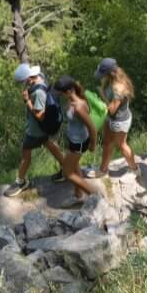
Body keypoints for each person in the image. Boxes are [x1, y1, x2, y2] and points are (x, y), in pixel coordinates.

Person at [5, 63, 66, 197]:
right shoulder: (41, 78)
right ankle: (66, 167)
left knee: (25, 155)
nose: (23, 84)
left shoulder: (38, 92)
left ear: (28, 79)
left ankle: (21, 182)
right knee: (50, 144)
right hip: (43, 129)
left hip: (35, 130)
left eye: (23, 82)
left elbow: (40, 115)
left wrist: (27, 101)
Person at [52, 76, 98, 207]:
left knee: (68, 173)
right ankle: (78, 196)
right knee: (75, 167)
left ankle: (96, 196)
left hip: (79, 143)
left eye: (61, 92)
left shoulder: (79, 107)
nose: (60, 95)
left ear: (69, 91)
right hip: (73, 141)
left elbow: (92, 128)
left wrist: (93, 145)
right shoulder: (71, 102)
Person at [95, 58, 137, 176]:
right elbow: (106, 94)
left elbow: (112, 110)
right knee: (107, 143)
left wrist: (100, 99)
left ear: (109, 72)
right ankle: (103, 170)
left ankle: (135, 169)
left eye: (103, 74)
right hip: (110, 118)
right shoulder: (110, 79)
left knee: (122, 145)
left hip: (120, 121)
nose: (102, 77)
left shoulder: (119, 87)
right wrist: (102, 92)